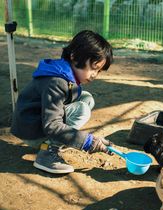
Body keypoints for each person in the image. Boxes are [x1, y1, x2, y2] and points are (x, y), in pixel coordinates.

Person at [11, 30, 114, 174]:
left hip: (37, 119)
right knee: (82, 109)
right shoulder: (57, 82)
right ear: (74, 56)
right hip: (31, 129)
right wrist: (88, 142)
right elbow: (52, 125)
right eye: (94, 68)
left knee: (86, 99)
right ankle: (47, 153)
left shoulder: (63, 71)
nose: (94, 75)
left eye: (99, 71)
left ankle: (57, 141)